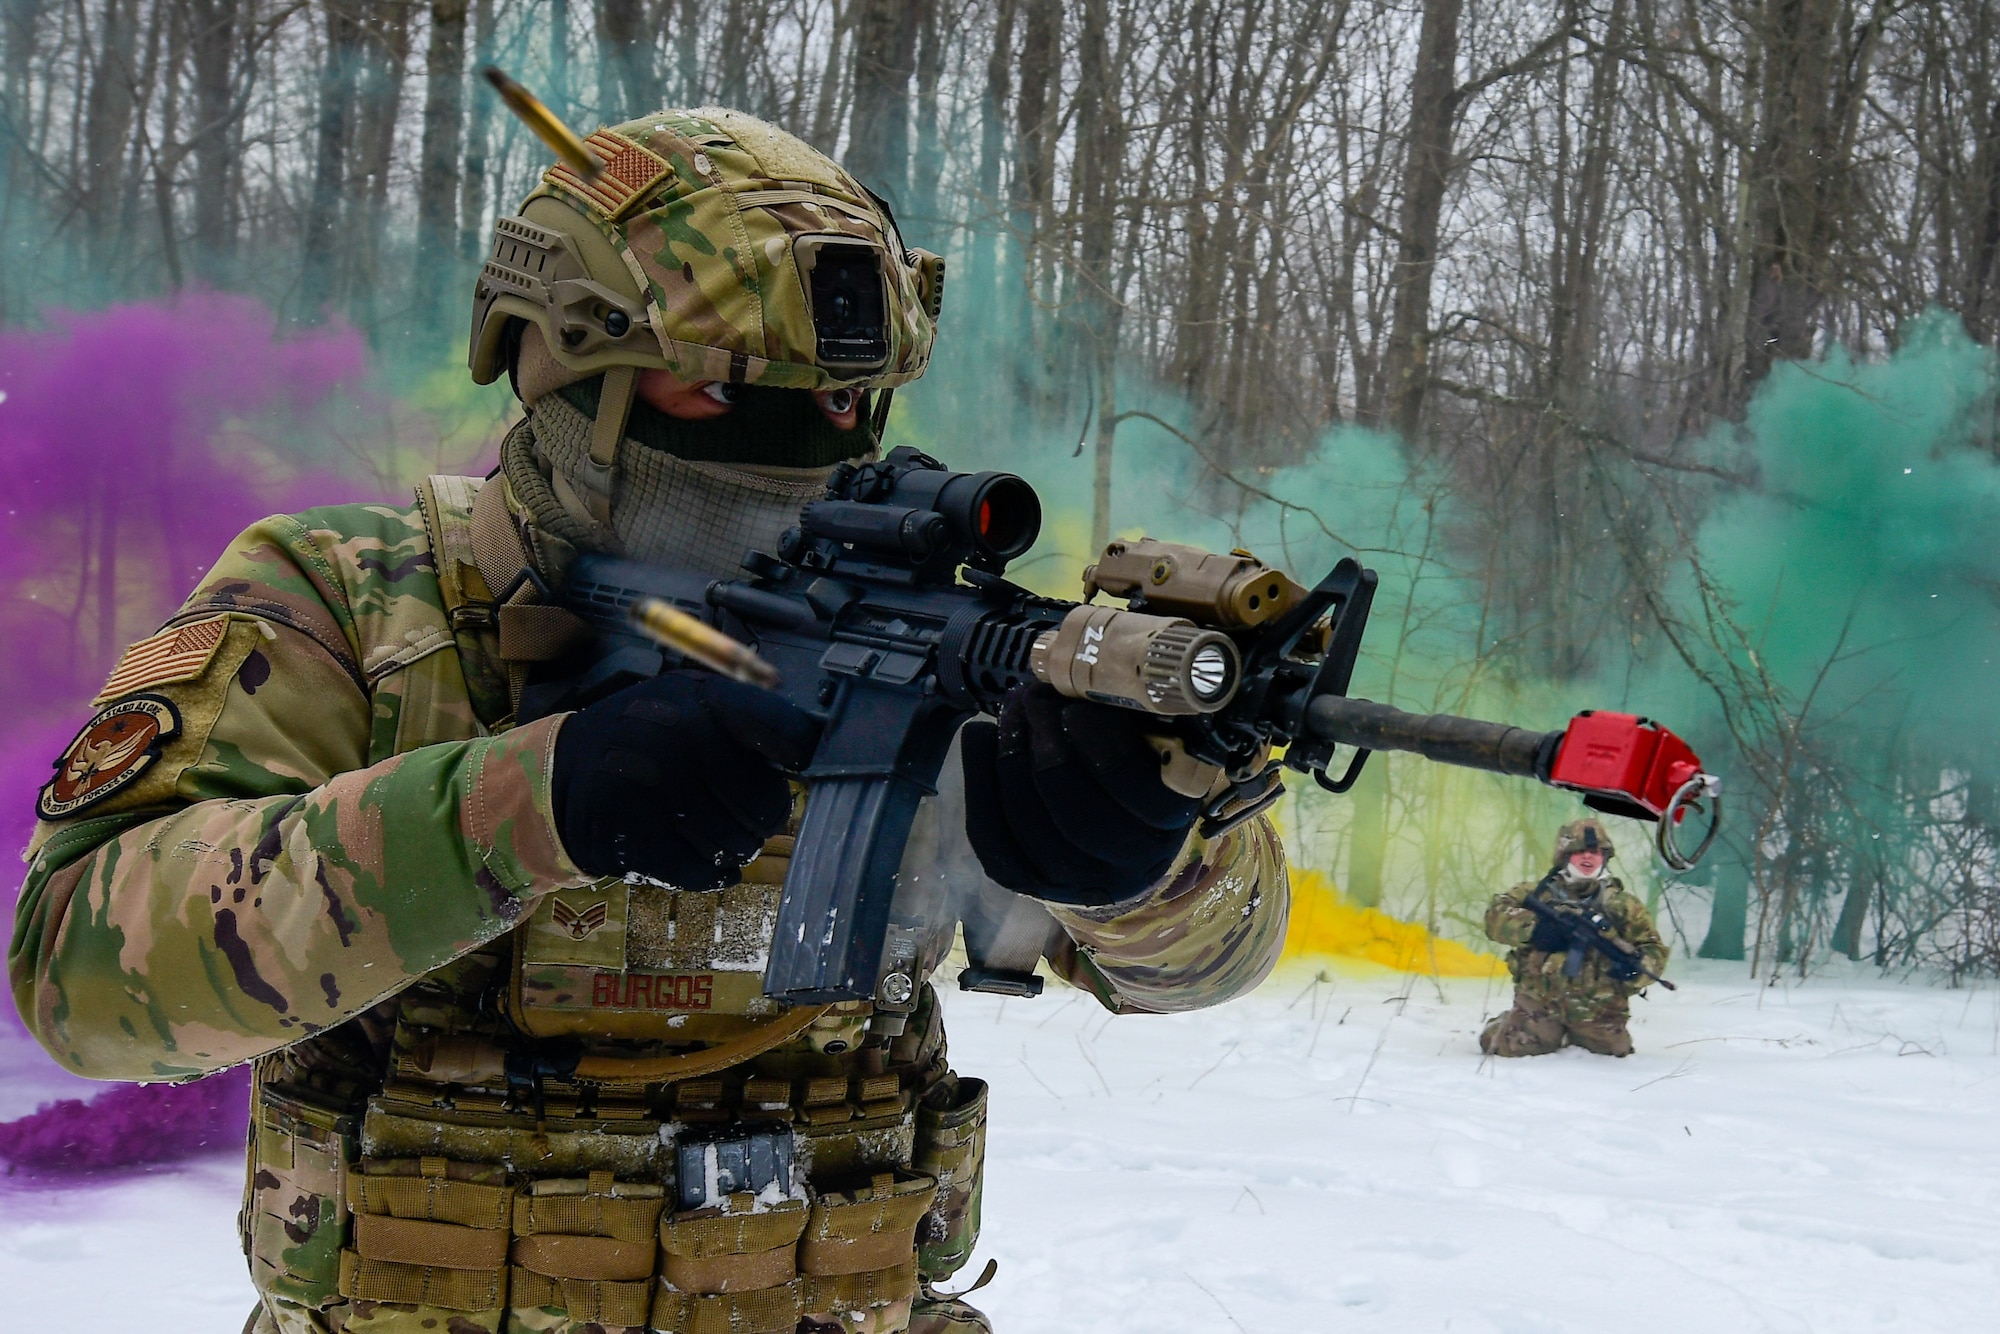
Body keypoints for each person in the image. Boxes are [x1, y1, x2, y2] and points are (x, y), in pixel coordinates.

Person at [8, 108, 1288, 1334]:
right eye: (712, 391)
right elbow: (79, 972)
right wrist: (530, 805)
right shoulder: (352, 598)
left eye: (839, 404)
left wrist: (1142, 850)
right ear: (563, 363)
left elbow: (1217, 962)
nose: (793, 446)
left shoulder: (937, 640)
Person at [1479, 818, 1667, 1058]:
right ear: (1565, 855)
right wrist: (1536, 930)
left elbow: (1653, 950)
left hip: (1598, 1012)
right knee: (1503, 1044)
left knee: (1613, 1053)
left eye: (1595, 852)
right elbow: (1495, 916)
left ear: (1605, 857)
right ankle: (1514, 1021)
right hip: (1540, 1006)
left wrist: (1638, 970)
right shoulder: (1536, 893)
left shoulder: (1624, 906)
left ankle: (1573, 1034)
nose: (1588, 858)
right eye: (1579, 851)